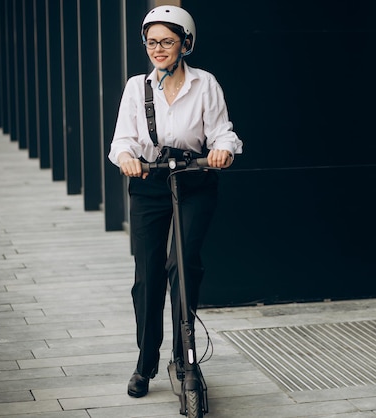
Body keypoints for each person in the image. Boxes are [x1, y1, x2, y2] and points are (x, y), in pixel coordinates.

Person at [108, 5, 243, 398]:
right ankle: (146, 360)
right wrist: (128, 159)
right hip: (149, 181)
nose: (158, 49)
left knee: (182, 265)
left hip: (194, 178)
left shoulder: (205, 84)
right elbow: (121, 141)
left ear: (186, 43)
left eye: (167, 41)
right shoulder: (138, 87)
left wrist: (222, 151)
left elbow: (223, 132)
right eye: (152, 42)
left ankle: (186, 356)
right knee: (147, 273)